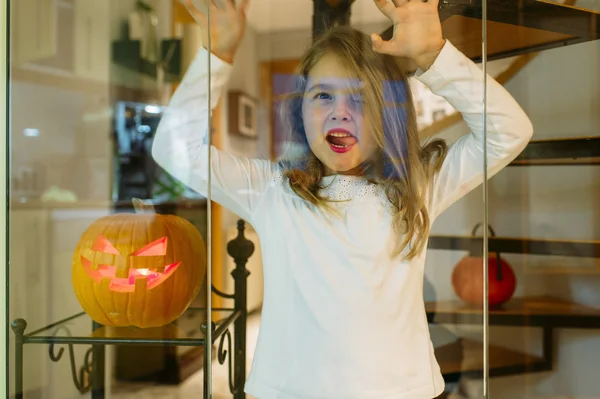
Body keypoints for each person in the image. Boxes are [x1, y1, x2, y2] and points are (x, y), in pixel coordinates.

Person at [152, 0, 534, 397]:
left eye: (360, 98)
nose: (340, 113)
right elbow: (174, 149)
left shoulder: (418, 186)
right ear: (300, 111)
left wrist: (433, 57)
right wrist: (218, 52)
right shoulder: (272, 191)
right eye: (323, 96)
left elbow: (510, 131)